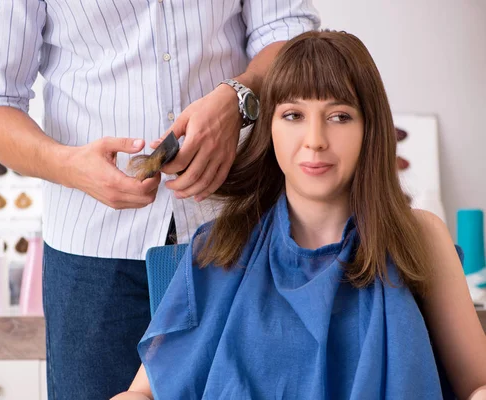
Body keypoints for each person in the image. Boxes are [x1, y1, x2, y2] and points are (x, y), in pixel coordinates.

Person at [0, 1, 321, 398]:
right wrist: (70, 165)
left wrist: (238, 97)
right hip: (92, 256)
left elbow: (289, 31)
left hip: (237, 233)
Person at [112, 30, 486, 400]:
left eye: (339, 116)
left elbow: (478, 384)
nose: (315, 139)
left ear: (369, 129)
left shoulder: (419, 239)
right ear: (269, 128)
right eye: (293, 115)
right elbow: (141, 393)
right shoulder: (218, 246)